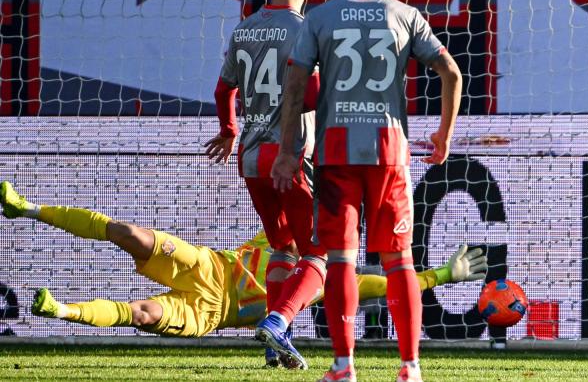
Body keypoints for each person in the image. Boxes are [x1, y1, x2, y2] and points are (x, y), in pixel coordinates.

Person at [270, 0, 463, 382]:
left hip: (337, 152)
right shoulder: (405, 15)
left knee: (339, 259)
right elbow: (450, 71)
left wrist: (286, 151)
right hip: (390, 152)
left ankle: (343, 367)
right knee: (399, 261)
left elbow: (295, 86)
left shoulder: (320, 17)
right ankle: (410, 367)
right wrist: (443, 134)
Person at [0, 182, 485, 341]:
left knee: (143, 314)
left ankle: (61, 311)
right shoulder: (282, 230)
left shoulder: (323, 280)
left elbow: (389, 287)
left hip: (212, 314)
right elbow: (287, 186)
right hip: (208, 267)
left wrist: (443, 274)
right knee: (128, 233)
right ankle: (26, 208)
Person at [204, 0, 326, 370]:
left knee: (282, 246)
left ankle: (278, 344)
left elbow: (223, 92)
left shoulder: (244, 30)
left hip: (251, 159)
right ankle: (279, 321)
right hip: (289, 158)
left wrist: (229, 130)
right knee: (319, 252)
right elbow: (309, 95)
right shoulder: (304, 29)